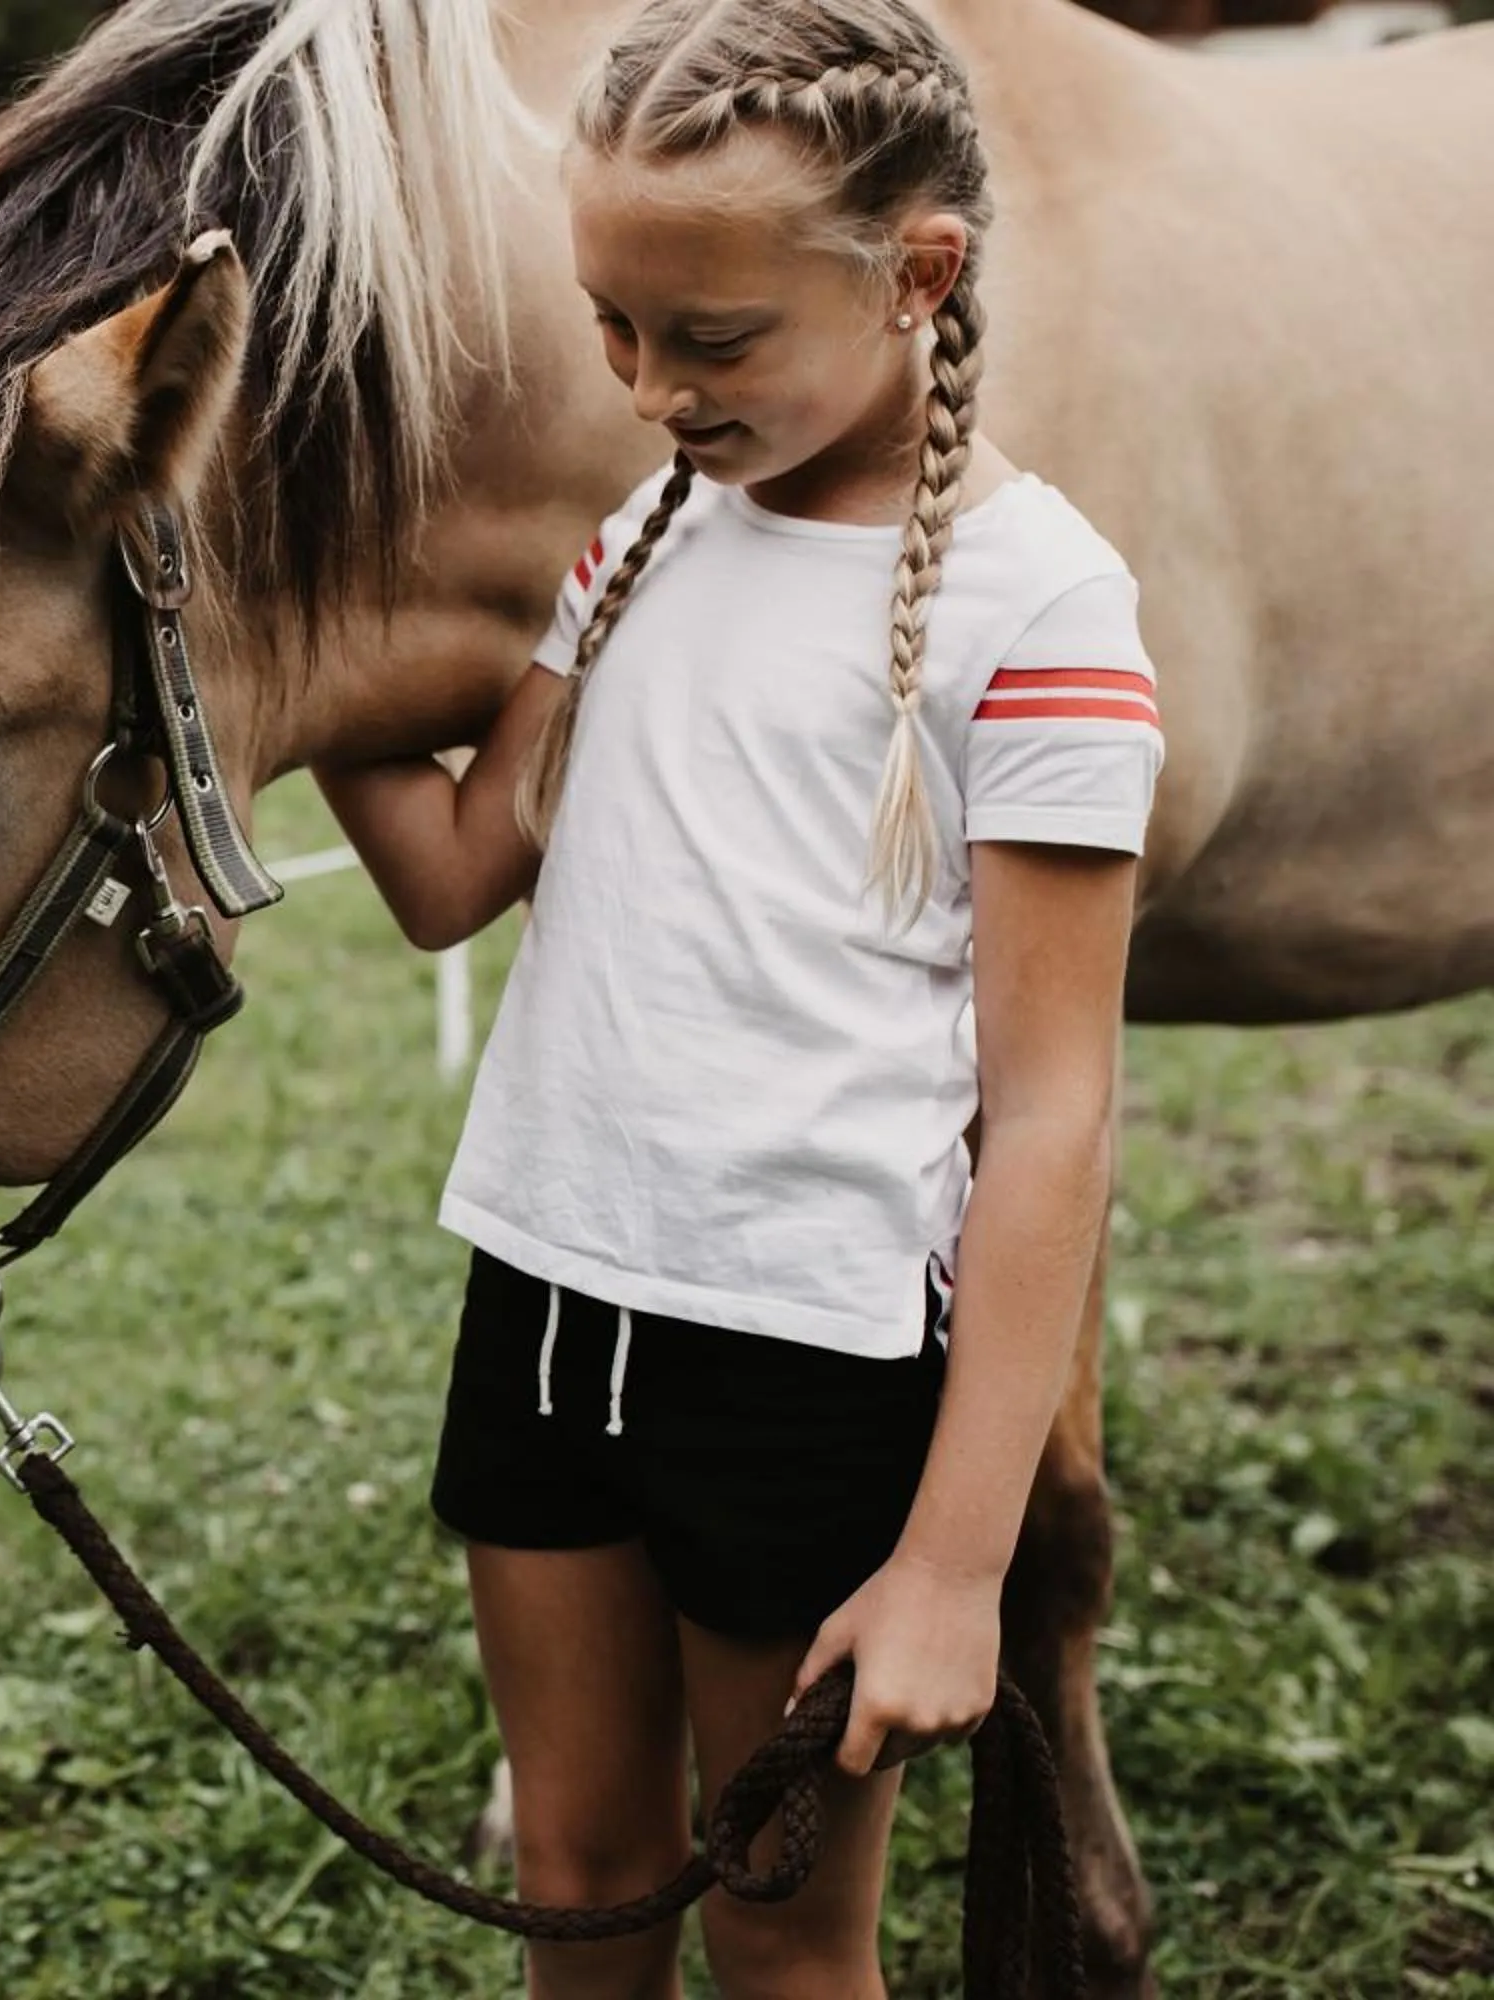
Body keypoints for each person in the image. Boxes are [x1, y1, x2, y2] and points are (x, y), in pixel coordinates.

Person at [316, 1, 1160, 1990]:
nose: (651, 388)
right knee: (582, 1890)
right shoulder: (639, 540)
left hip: (806, 1368)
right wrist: (293, 646)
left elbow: (1054, 1118)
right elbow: (451, 881)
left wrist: (956, 1568)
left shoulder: (1041, 609)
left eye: (711, 342)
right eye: (614, 328)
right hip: (539, 1302)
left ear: (919, 275)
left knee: (784, 1942)